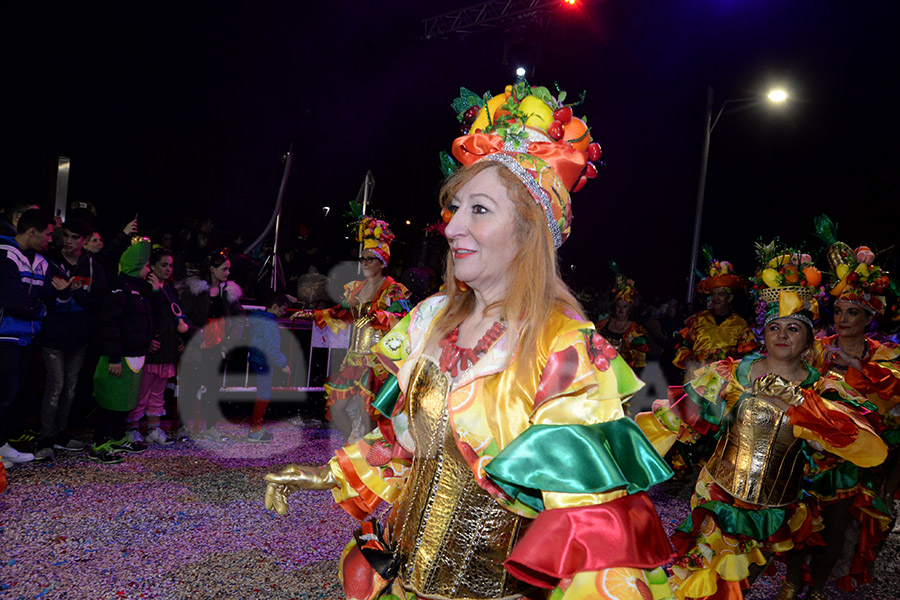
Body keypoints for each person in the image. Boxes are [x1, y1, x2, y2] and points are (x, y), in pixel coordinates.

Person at [264, 81, 677, 600]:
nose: (452, 226)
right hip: (403, 576)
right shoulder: (427, 321)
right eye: (454, 207)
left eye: (479, 210)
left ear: (530, 232)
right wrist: (323, 473)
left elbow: (589, 530)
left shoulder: (565, 348)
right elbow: (404, 446)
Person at [636, 246, 887, 600]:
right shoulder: (731, 372)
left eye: (793, 328)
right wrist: (620, 456)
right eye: (774, 327)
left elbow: (867, 448)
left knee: (742, 581)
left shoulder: (824, 389)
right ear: (764, 334)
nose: (782, 335)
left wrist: (801, 403)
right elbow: (673, 418)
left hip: (773, 507)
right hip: (718, 493)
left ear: (808, 339)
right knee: (703, 577)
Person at [786, 222, 900, 597]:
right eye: (839, 310)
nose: (843, 318)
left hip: (851, 455)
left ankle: (818, 589)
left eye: (853, 312)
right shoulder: (817, 346)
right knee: (796, 519)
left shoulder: (882, 356)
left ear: (869, 319)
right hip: (808, 450)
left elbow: (892, 392)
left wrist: (855, 365)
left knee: (835, 526)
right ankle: (789, 583)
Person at [294, 217, 411, 442]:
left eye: (371, 259)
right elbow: (340, 312)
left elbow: (402, 320)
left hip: (377, 362)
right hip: (354, 358)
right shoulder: (355, 288)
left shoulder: (394, 290)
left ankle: (365, 456)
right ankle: (352, 443)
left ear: (382, 262)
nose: (365, 263)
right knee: (337, 407)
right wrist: (312, 314)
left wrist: (378, 315)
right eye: (362, 259)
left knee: (369, 414)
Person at [34, 218, 107, 460]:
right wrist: (64, 291)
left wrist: (74, 292)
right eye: (65, 235)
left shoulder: (93, 266)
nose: (68, 241)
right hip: (52, 336)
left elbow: (100, 302)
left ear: (84, 241)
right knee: (55, 386)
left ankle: (61, 434)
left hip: (79, 337)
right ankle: (46, 437)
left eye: (74, 237)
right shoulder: (49, 260)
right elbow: (41, 294)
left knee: (70, 388)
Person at [90, 238, 156, 464]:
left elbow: (144, 321)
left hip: (136, 356)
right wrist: (114, 357)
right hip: (119, 357)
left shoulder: (141, 290)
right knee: (109, 402)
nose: (149, 269)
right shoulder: (119, 289)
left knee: (124, 401)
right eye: (146, 265)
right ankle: (99, 443)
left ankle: (118, 437)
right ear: (135, 266)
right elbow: (110, 325)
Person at [0, 209, 54, 466]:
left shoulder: (42, 261)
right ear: (32, 231)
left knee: (14, 392)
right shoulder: (5, 253)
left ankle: (2, 444)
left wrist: (37, 307)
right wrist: (37, 309)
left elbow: (49, 297)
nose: (50, 240)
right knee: (5, 392)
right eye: (48, 234)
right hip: (5, 335)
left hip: (27, 336)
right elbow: (14, 301)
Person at [179, 250, 245, 441]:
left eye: (229, 269)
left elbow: (240, 319)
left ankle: (210, 426)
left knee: (213, 387)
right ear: (212, 269)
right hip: (197, 345)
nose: (227, 273)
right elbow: (183, 315)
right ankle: (185, 426)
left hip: (218, 345)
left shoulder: (228, 292)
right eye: (224, 269)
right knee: (190, 386)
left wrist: (229, 342)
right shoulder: (196, 290)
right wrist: (195, 335)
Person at [125, 248, 188, 447]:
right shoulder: (145, 288)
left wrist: (178, 338)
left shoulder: (169, 288)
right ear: (151, 266)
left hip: (167, 346)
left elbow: (173, 315)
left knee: (158, 391)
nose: (168, 269)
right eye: (163, 265)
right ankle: (132, 428)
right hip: (151, 347)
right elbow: (142, 316)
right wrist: (147, 340)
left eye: (170, 265)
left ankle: (154, 428)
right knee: (141, 390)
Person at [673, 251, 757, 376]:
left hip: (725, 382)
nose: (715, 298)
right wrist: (686, 357)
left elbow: (748, 356)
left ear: (730, 298)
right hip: (696, 379)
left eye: (721, 294)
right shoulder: (698, 319)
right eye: (713, 294)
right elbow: (682, 345)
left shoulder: (740, 324)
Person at [246, 292, 291, 442]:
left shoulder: (257, 319)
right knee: (263, 395)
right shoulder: (269, 323)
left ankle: (256, 428)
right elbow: (272, 346)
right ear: (275, 307)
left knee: (261, 395)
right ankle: (255, 431)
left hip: (256, 359)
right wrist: (283, 364)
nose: (284, 313)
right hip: (263, 361)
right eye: (282, 309)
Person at [596, 263, 650, 371]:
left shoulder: (635, 329)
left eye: (624, 307)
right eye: (618, 306)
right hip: (603, 370)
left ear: (629, 310)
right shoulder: (604, 323)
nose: (621, 310)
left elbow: (639, 360)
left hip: (623, 371)